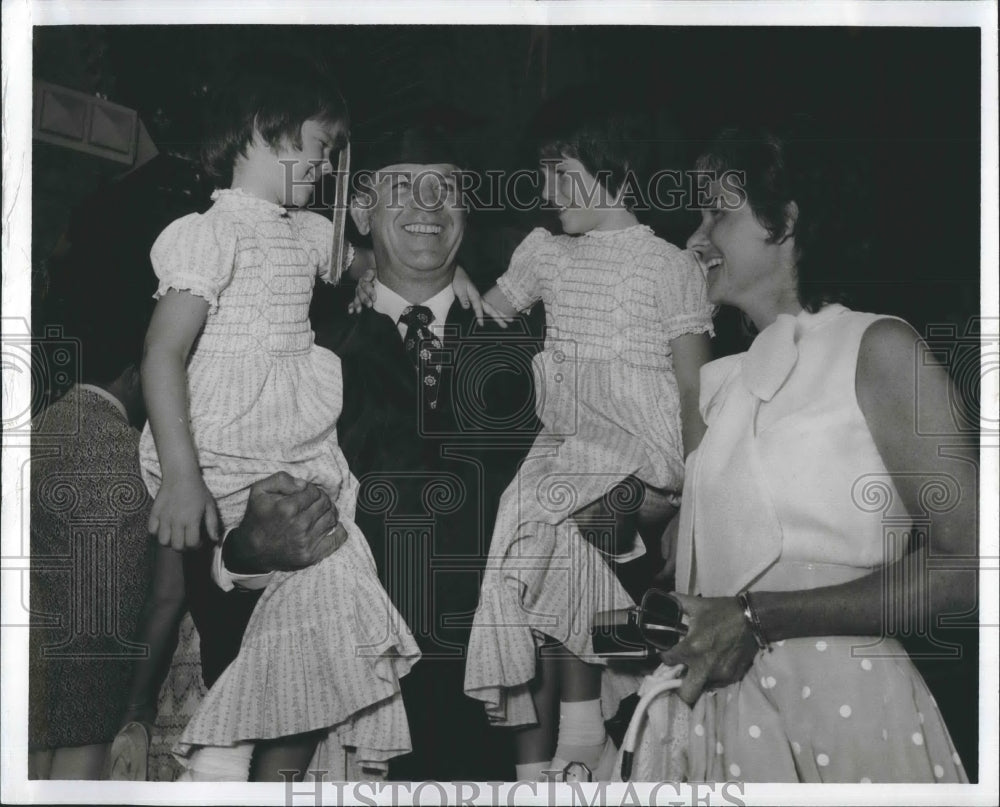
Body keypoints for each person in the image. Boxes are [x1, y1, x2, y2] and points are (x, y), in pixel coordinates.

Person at [135, 53, 428, 782]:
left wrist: (468, 279)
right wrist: (180, 473)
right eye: (322, 145)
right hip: (224, 443)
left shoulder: (303, 233)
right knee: (329, 572)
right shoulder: (208, 232)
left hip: (290, 439)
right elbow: (162, 353)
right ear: (268, 131)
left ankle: (233, 752)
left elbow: (365, 264)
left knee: (327, 587)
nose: (327, 165)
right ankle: (243, 755)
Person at [220, 118, 539, 781]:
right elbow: (222, 520)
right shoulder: (305, 349)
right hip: (340, 709)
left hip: (493, 717)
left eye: (445, 187)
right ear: (360, 210)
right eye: (401, 187)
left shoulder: (532, 352)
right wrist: (245, 549)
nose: (427, 205)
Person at [653, 121, 972, 782]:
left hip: (845, 707)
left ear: (786, 221)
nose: (695, 237)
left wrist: (758, 616)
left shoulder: (879, 347)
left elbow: (971, 562)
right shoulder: (722, 383)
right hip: (729, 719)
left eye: (718, 211)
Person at [461, 106, 715, 780]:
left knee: (554, 526)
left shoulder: (668, 265)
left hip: (637, 440)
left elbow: (693, 389)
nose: (551, 193)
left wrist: (699, 494)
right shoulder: (546, 252)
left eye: (565, 175)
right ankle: (548, 760)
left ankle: (578, 733)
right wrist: (452, 283)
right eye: (547, 177)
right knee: (519, 548)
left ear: (619, 175)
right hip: (570, 435)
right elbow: (485, 313)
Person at [28, 268, 155, 779]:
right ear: (134, 373)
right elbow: (119, 604)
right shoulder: (134, 457)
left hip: (27, 692)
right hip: (92, 709)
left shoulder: (34, 431)